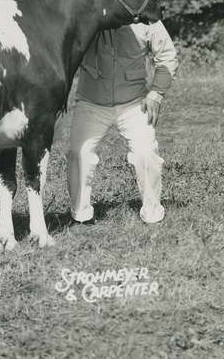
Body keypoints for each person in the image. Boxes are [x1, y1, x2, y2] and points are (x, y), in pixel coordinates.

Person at [67, 20, 178, 224]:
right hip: (91, 100)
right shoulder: (86, 13)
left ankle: (152, 212)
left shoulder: (145, 15)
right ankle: (80, 215)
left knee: (146, 153)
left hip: (134, 101)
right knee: (78, 153)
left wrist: (156, 93)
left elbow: (168, 55)